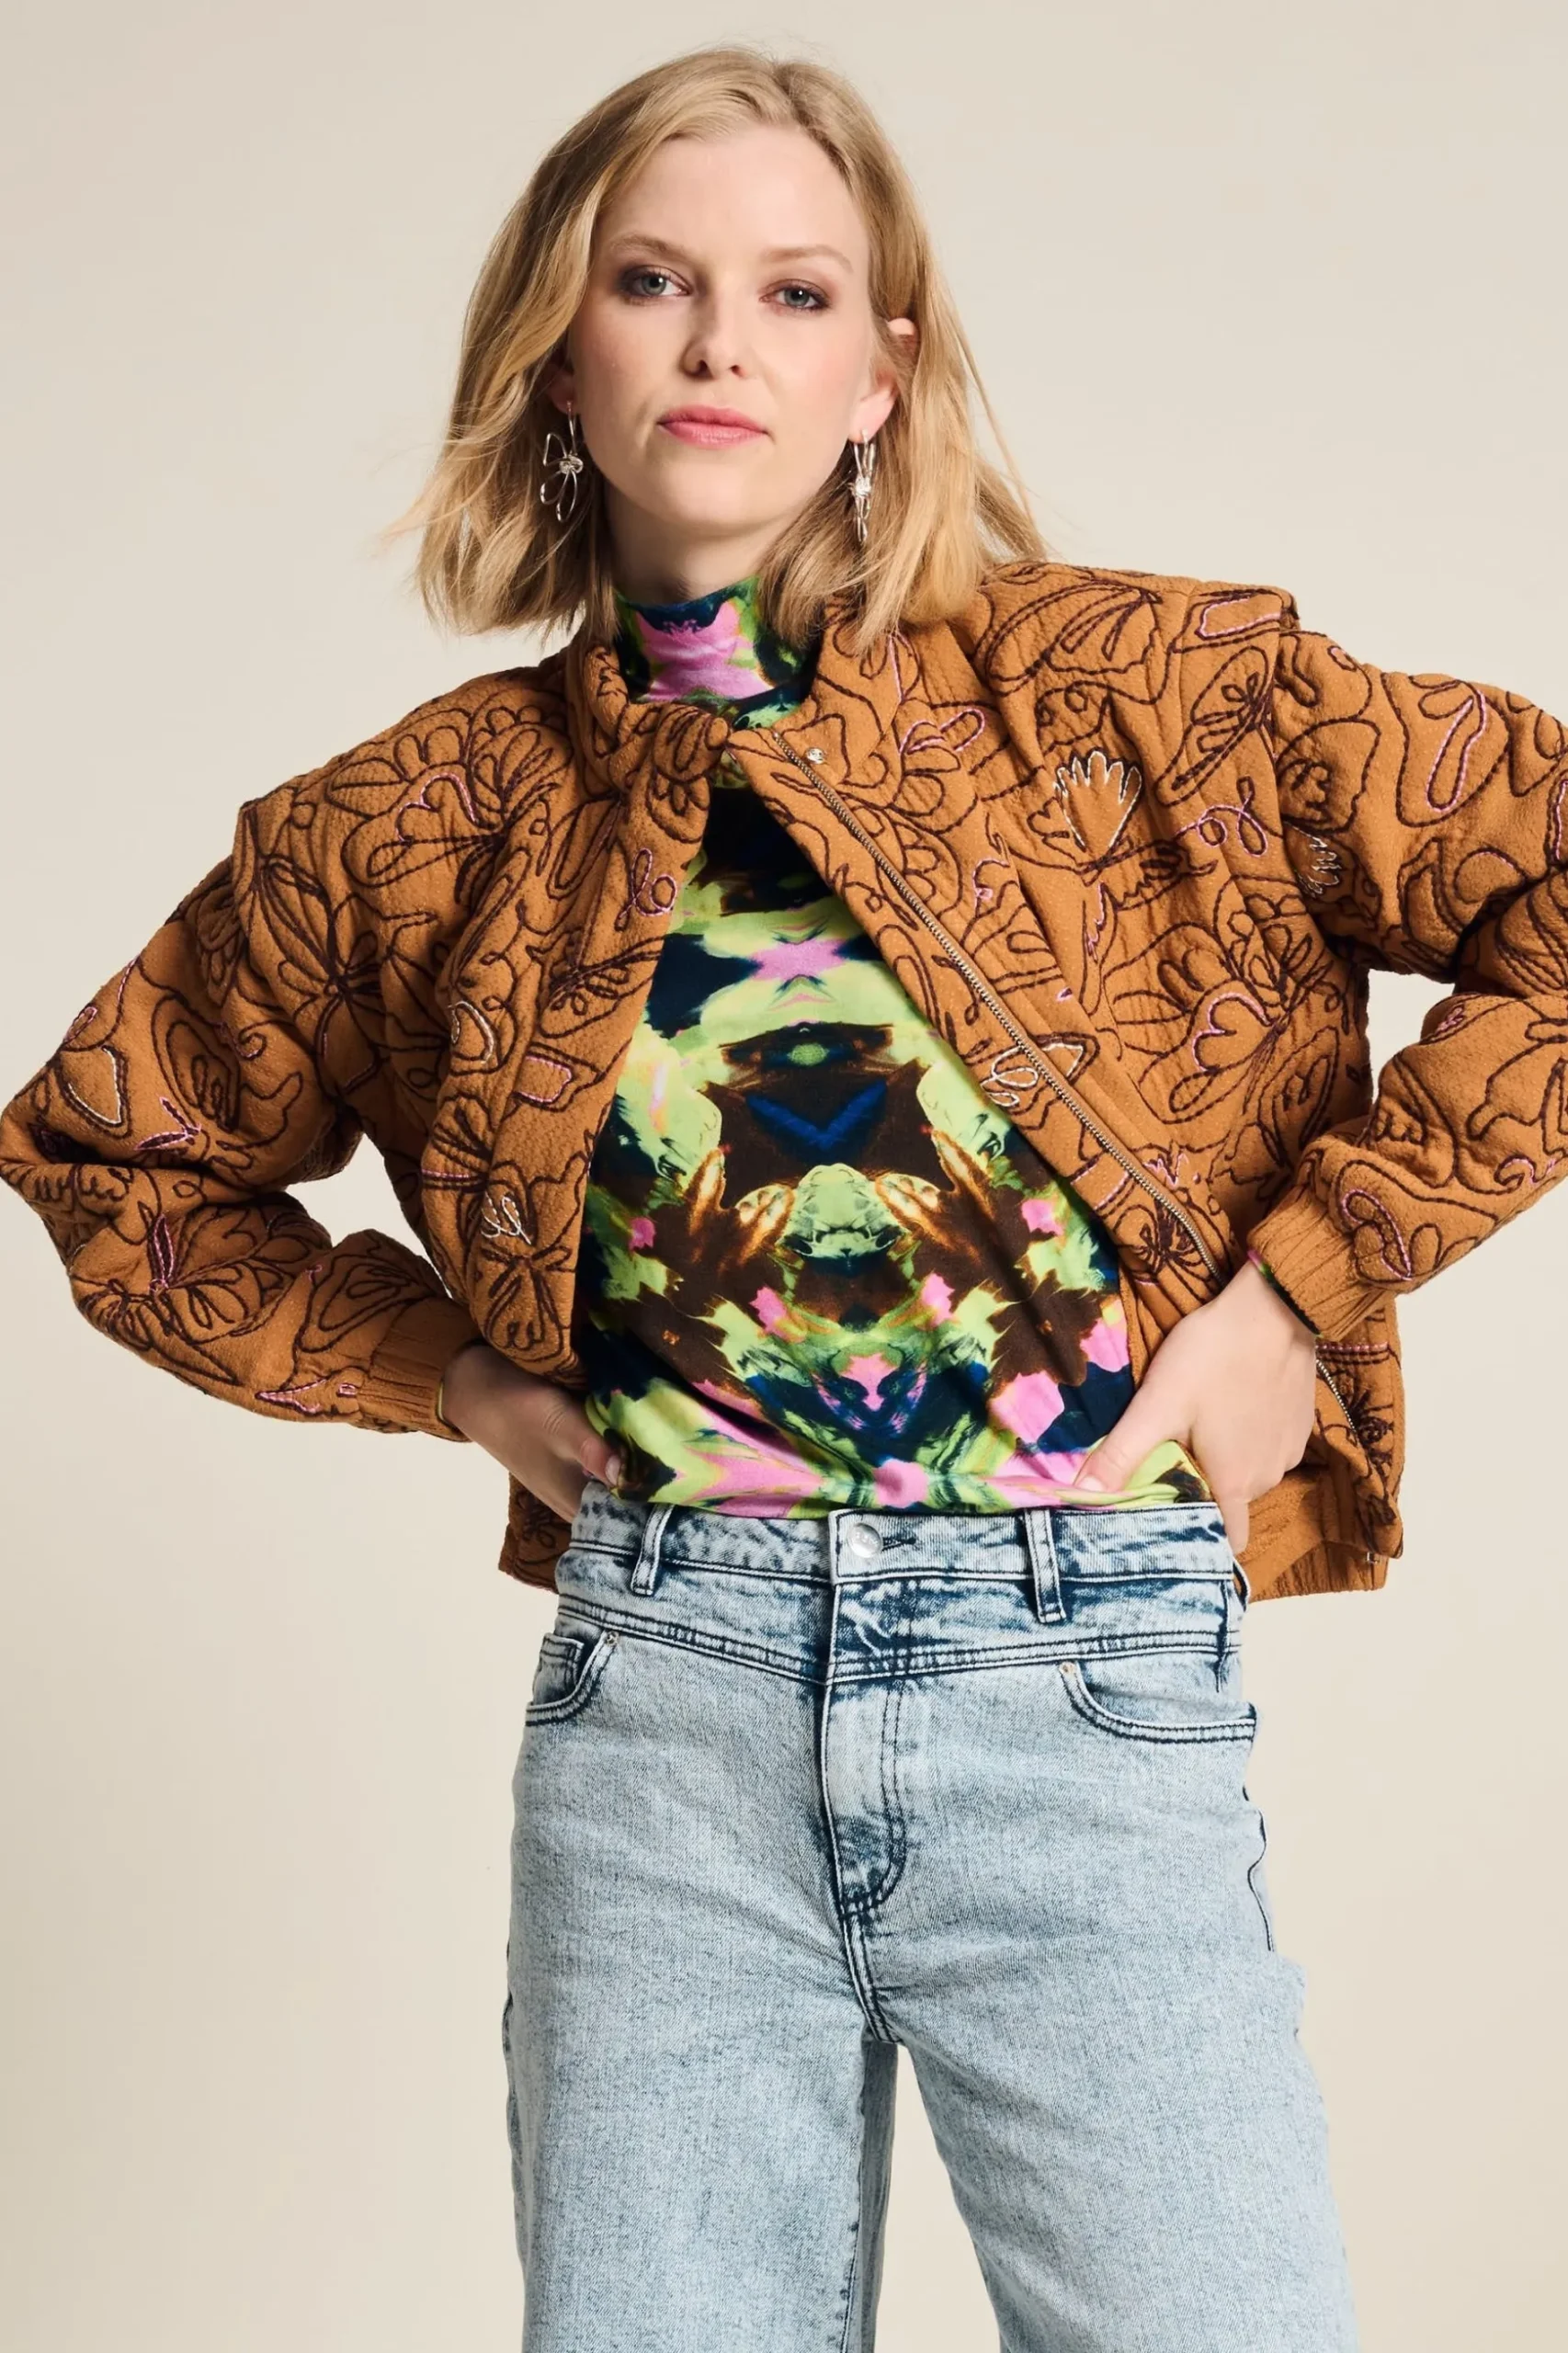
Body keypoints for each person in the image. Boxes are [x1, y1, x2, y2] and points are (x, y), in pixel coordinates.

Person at [4, 40, 1563, 2353]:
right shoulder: (408, 827)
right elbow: (113, 1155)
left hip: (1078, 1668)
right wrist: (446, 1379)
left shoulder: (1150, 695)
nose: (721, 340)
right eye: (653, 281)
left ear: (880, 374)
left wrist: (1298, 1290)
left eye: (794, 291)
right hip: (668, 1709)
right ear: (560, 350)